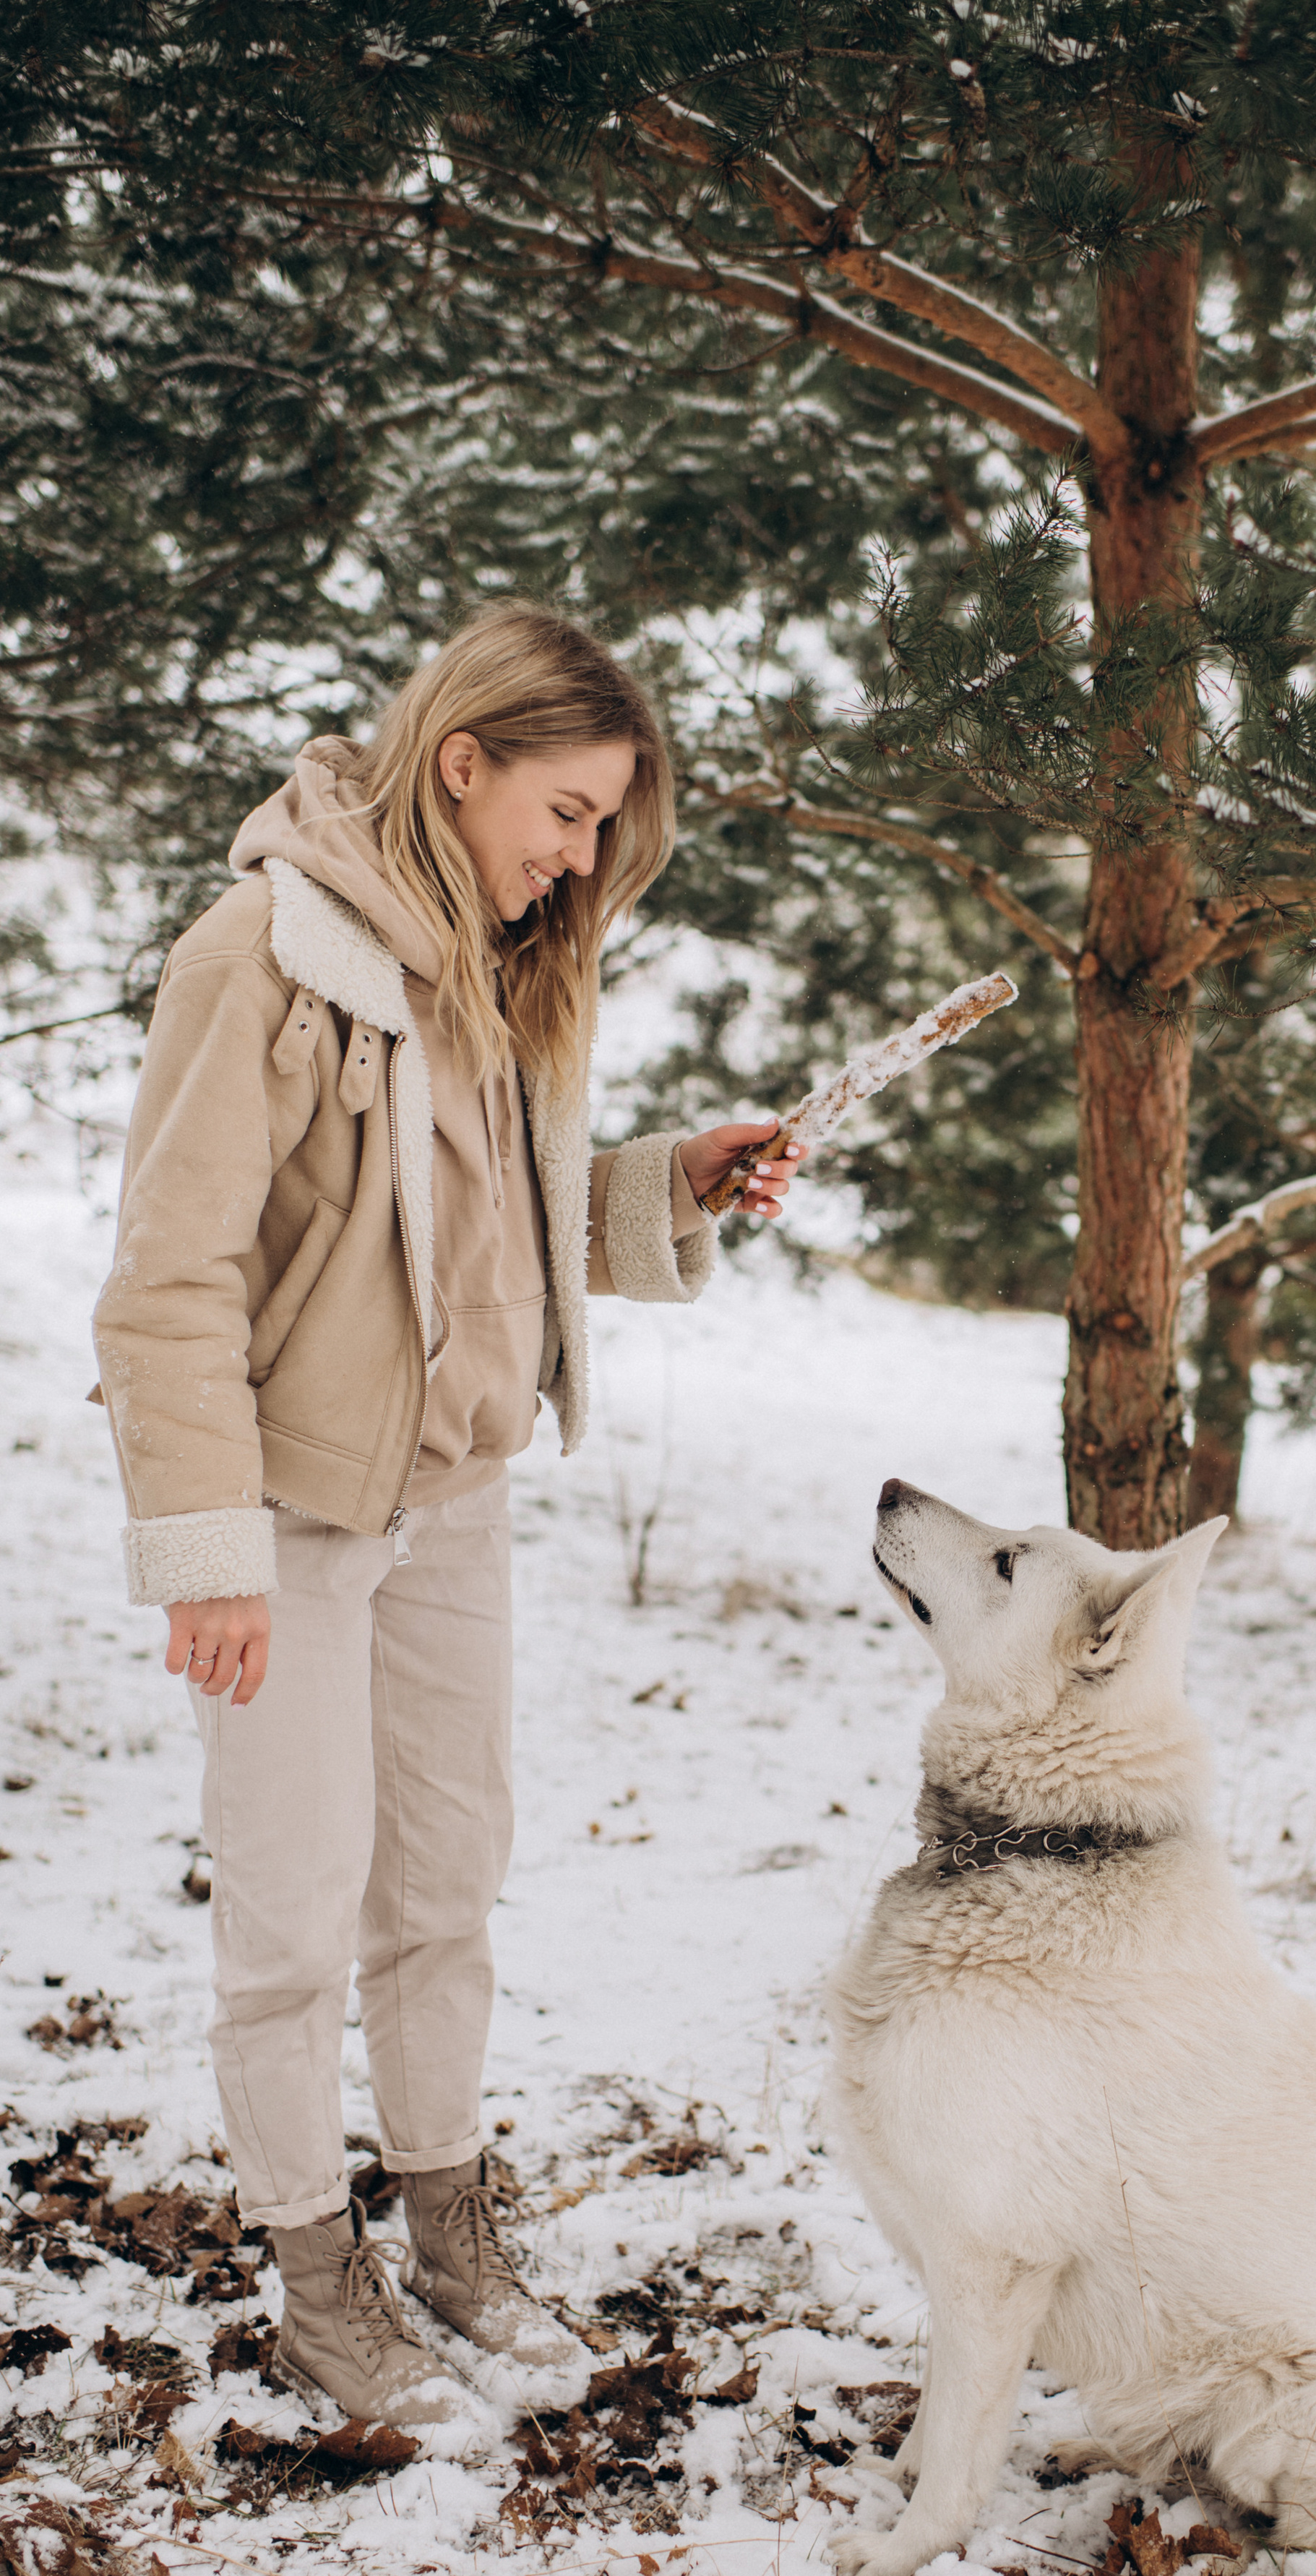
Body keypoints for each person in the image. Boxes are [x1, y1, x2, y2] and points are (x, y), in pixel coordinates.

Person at [92, 602, 804, 2444]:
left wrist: (663, 1184)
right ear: (461, 759)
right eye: (563, 813)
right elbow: (167, 1286)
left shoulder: (501, 963)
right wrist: (208, 1553)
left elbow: (477, 1238)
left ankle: (447, 2223)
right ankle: (314, 2270)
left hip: (453, 1502)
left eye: (603, 830)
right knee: (294, 1907)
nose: (578, 861)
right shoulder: (262, 956)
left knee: (442, 1888)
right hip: (293, 1518)